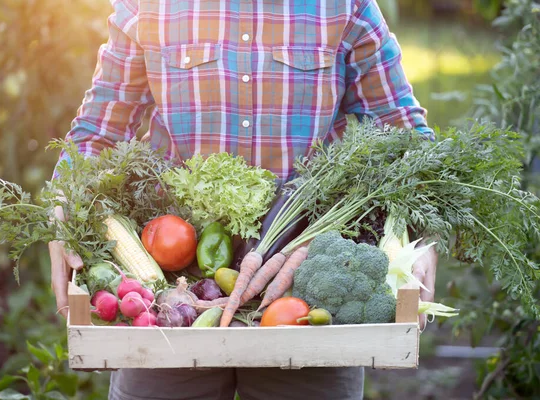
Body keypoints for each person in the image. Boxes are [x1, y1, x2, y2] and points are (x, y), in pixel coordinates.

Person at [49, 0, 438, 398]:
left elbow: (405, 135)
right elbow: (98, 135)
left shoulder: (343, 7)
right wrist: (62, 204)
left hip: (304, 290)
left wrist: (421, 239)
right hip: (170, 299)